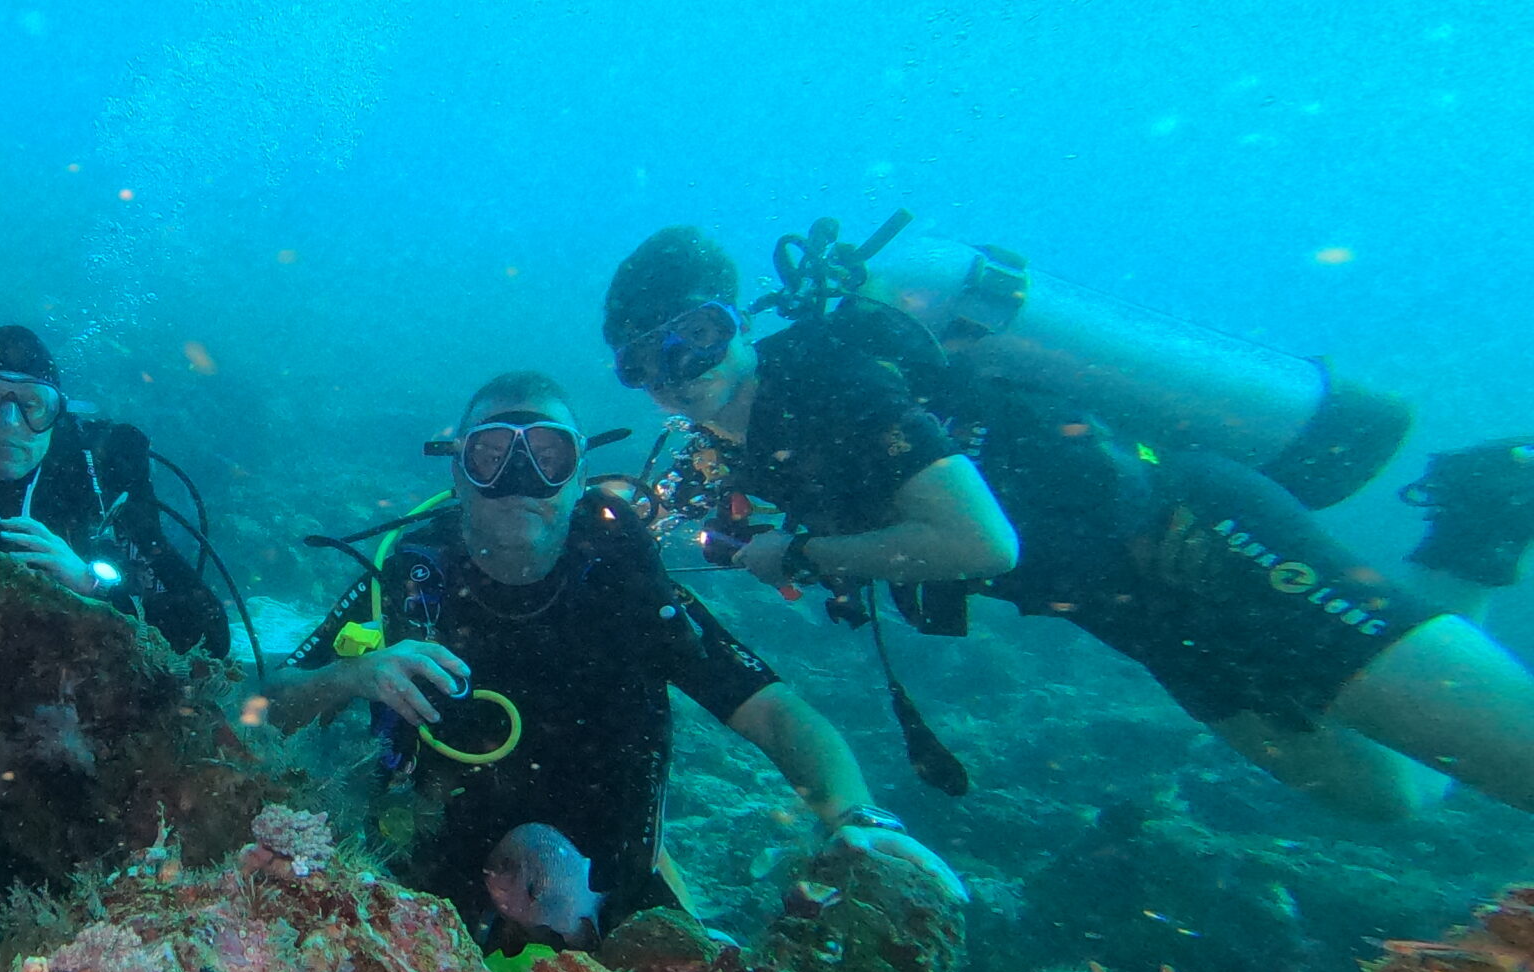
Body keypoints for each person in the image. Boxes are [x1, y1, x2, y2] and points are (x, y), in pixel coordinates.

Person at [602, 226, 1534, 820]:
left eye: (697, 336)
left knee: (1511, 756)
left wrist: (800, 551)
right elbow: (696, 522)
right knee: (1392, 794)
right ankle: (1475, 534)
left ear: (739, 323)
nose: (675, 369)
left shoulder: (828, 378)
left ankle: (1485, 513)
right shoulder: (733, 442)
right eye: (643, 360)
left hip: (1202, 546)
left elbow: (981, 543)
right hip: (1130, 614)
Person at [259, 369, 965, 954]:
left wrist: (856, 814)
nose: (519, 478)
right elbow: (263, 705)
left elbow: (774, 711)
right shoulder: (409, 580)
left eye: (548, 455)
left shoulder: (627, 584)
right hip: (428, 902)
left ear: (579, 473)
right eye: (490, 454)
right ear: (459, 468)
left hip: (611, 903)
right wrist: (351, 675)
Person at [0, 325, 229, 659]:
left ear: (57, 416)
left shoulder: (97, 488)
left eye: (33, 404)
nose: (8, 423)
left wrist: (91, 584)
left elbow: (209, 637)